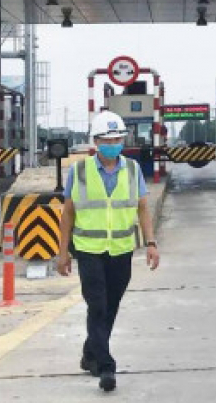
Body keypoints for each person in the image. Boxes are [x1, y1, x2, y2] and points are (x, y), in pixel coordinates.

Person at [57, 110, 160, 392]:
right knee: (98, 305)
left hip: (121, 250)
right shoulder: (79, 171)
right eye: (107, 138)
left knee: (110, 307)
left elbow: (142, 209)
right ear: (96, 142)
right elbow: (67, 214)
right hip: (88, 249)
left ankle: (90, 353)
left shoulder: (132, 169)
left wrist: (151, 243)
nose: (113, 142)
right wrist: (62, 252)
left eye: (117, 138)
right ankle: (106, 366)